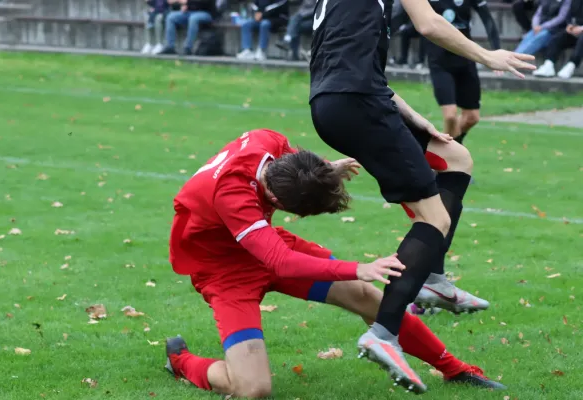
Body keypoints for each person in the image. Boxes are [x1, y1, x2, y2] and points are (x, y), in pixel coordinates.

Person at [165, 129, 505, 397]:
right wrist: (357, 268)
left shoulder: (265, 141)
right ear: (273, 199)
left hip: (265, 244)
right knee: (253, 389)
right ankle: (182, 363)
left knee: (365, 296)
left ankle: (456, 369)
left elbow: (295, 169)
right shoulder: (232, 194)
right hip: (224, 271)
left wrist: (326, 169)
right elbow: (281, 262)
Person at [309, 0, 535, 393]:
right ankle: (384, 331)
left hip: (340, 103)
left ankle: (433, 278)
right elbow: (429, 24)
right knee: (435, 219)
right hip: (359, 104)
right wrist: (488, 56)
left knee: (454, 158)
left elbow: (352, 62)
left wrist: (413, 117)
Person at [426, 0, 501, 145]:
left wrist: (496, 52)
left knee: (472, 117)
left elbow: (489, 21)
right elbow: (403, 16)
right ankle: (448, 154)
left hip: (466, 60)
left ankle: (451, 147)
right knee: (450, 116)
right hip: (440, 63)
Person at [533, 0, 583, 78]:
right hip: (575, 30)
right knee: (556, 39)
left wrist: (581, 28)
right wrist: (570, 25)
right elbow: (569, 14)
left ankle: (571, 65)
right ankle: (548, 64)